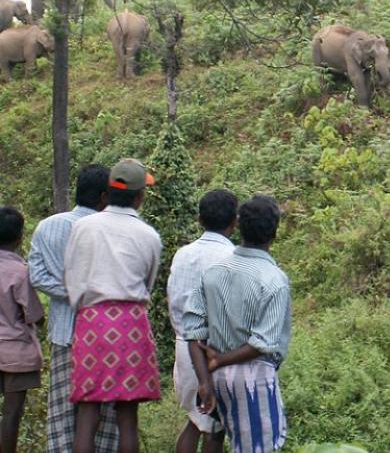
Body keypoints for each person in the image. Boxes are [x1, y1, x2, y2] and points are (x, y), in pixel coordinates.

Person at [64, 158, 162, 453]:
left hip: (92, 321)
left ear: (108, 191)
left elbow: (72, 275)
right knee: (127, 416)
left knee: (88, 412)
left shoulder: (83, 228)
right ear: (140, 196)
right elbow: (148, 283)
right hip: (131, 322)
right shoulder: (149, 235)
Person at [184, 195, 292, 452]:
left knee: (219, 440)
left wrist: (204, 380)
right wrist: (220, 360)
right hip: (254, 377)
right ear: (274, 233)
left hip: (217, 379)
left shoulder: (213, 272)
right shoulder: (275, 280)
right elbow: (263, 343)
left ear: (239, 227)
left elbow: (193, 332)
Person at [29, 164, 120, 453]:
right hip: (107, 334)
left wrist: (70, 293)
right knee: (105, 418)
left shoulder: (48, 226)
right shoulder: (113, 230)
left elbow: (38, 276)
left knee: (63, 415)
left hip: (64, 334)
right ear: (105, 196)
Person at [168, 190, 238, 453]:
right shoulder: (233, 259)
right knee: (214, 430)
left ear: (199, 219)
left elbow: (173, 301)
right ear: (235, 221)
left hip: (184, 347)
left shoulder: (183, 254)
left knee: (196, 421)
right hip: (212, 354)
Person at [0, 206, 44, 453]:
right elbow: (34, 315)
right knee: (12, 413)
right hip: (16, 353)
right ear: (19, 238)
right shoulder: (20, 271)